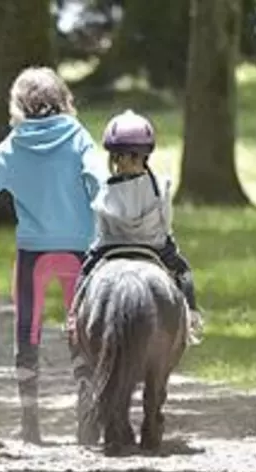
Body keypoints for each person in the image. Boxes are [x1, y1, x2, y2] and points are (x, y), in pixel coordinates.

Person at [0, 67, 105, 444]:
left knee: (28, 331)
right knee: (83, 331)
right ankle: (86, 418)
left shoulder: (13, 145)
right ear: (64, 100)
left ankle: (30, 423)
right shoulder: (79, 138)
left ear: (18, 106)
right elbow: (97, 183)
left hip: (33, 252)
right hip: (79, 250)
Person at [71, 109, 203, 337]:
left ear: (113, 157)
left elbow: (101, 225)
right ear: (145, 155)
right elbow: (165, 222)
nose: (124, 163)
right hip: (154, 246)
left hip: (110, 247)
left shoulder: (105, 189)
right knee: (183, 271)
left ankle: (74, 316)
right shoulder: (161, 186)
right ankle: (191, 316)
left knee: (86, 271)